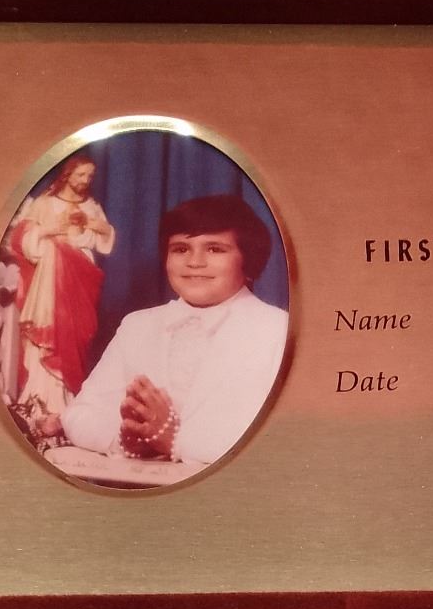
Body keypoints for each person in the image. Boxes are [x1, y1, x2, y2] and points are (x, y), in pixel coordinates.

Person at [60, 193, 287, 467]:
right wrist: (126, 439)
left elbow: (280, 441)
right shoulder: (138, 325)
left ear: (248, 260)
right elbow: (79, 414)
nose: (194, 262)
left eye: (215, 249)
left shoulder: (276, 330)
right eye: (180, 249)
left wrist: (175, 440)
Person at [5, 154, 116, 439]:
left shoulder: (92, 206)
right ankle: (39, 400)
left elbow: (104, 240)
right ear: (67, 175)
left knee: (77, 332)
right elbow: (24, 240)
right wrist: (51, 231)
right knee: (50, 333)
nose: (85, 181)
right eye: (81, 175)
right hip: (50, 280)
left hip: (80, 276)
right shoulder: (44, 204)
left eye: (90, 176)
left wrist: (89, 224)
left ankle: (67, 400)